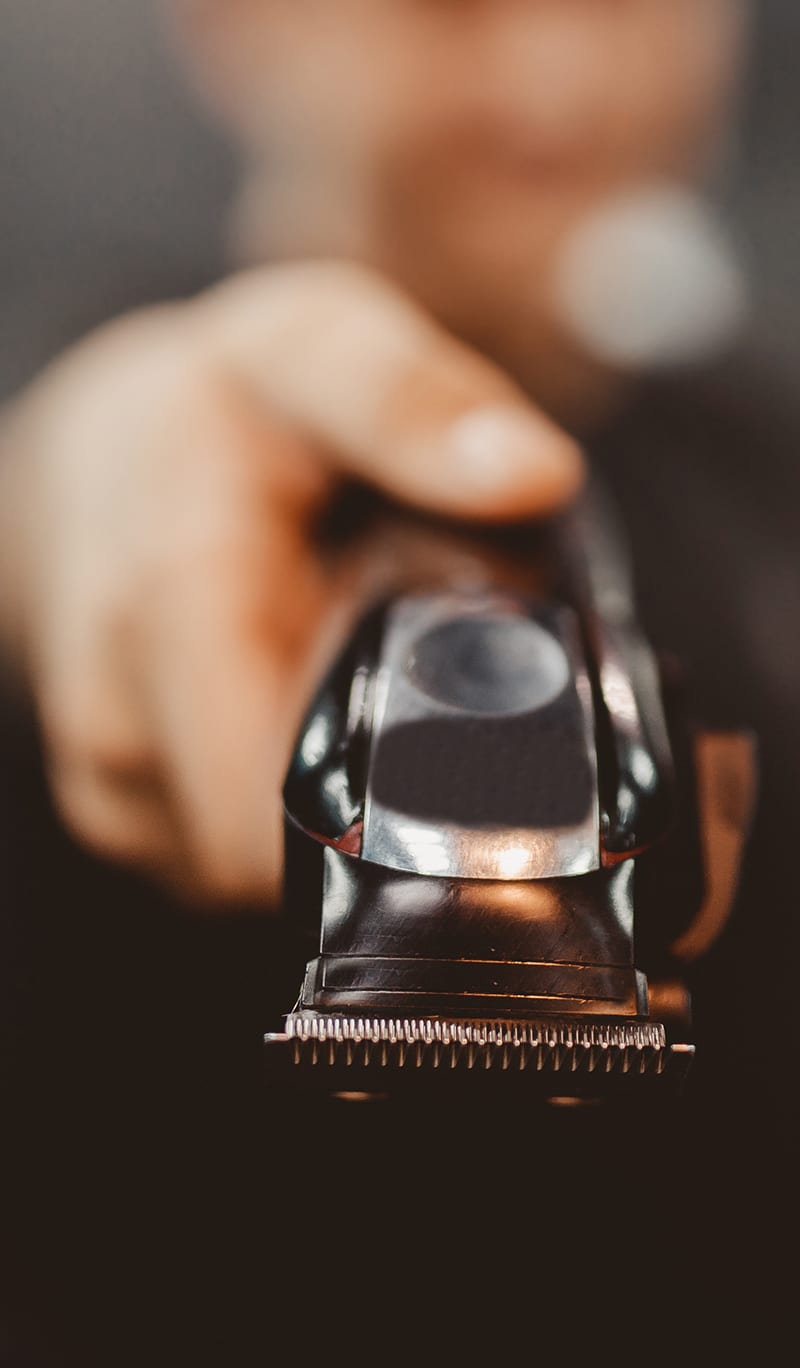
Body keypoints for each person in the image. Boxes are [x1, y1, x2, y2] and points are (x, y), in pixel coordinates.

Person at [0, 3, 797, 1364]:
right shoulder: (98, 361)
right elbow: (91, 468)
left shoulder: (762, 453)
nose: (554, 75)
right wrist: (70, 487)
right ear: (231, 26)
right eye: (446, 4)